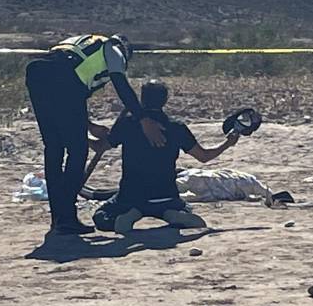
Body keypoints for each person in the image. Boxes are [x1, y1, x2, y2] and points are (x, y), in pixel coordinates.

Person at [25, 34, 165, 235]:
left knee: (54, 148)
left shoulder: (84, 44)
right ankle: (66, 217)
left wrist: (88, 126)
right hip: (61, 79)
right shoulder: (112, 48)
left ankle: (59, 219)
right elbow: (120, 83)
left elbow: (72, 97)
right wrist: (143, 119)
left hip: (38, 73)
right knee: (77, 151)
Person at [90, 80, 239, 234]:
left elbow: (100, 147)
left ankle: (133, 213)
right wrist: (227, 143)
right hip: (166, 194)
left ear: (141, 99)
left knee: (101, 216)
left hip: (131, 195)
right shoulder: (177, 126)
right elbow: (204, 156)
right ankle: (169, 214)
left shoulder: (128, 123)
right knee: (184, 209)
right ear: (165, 100)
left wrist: (79, 133)